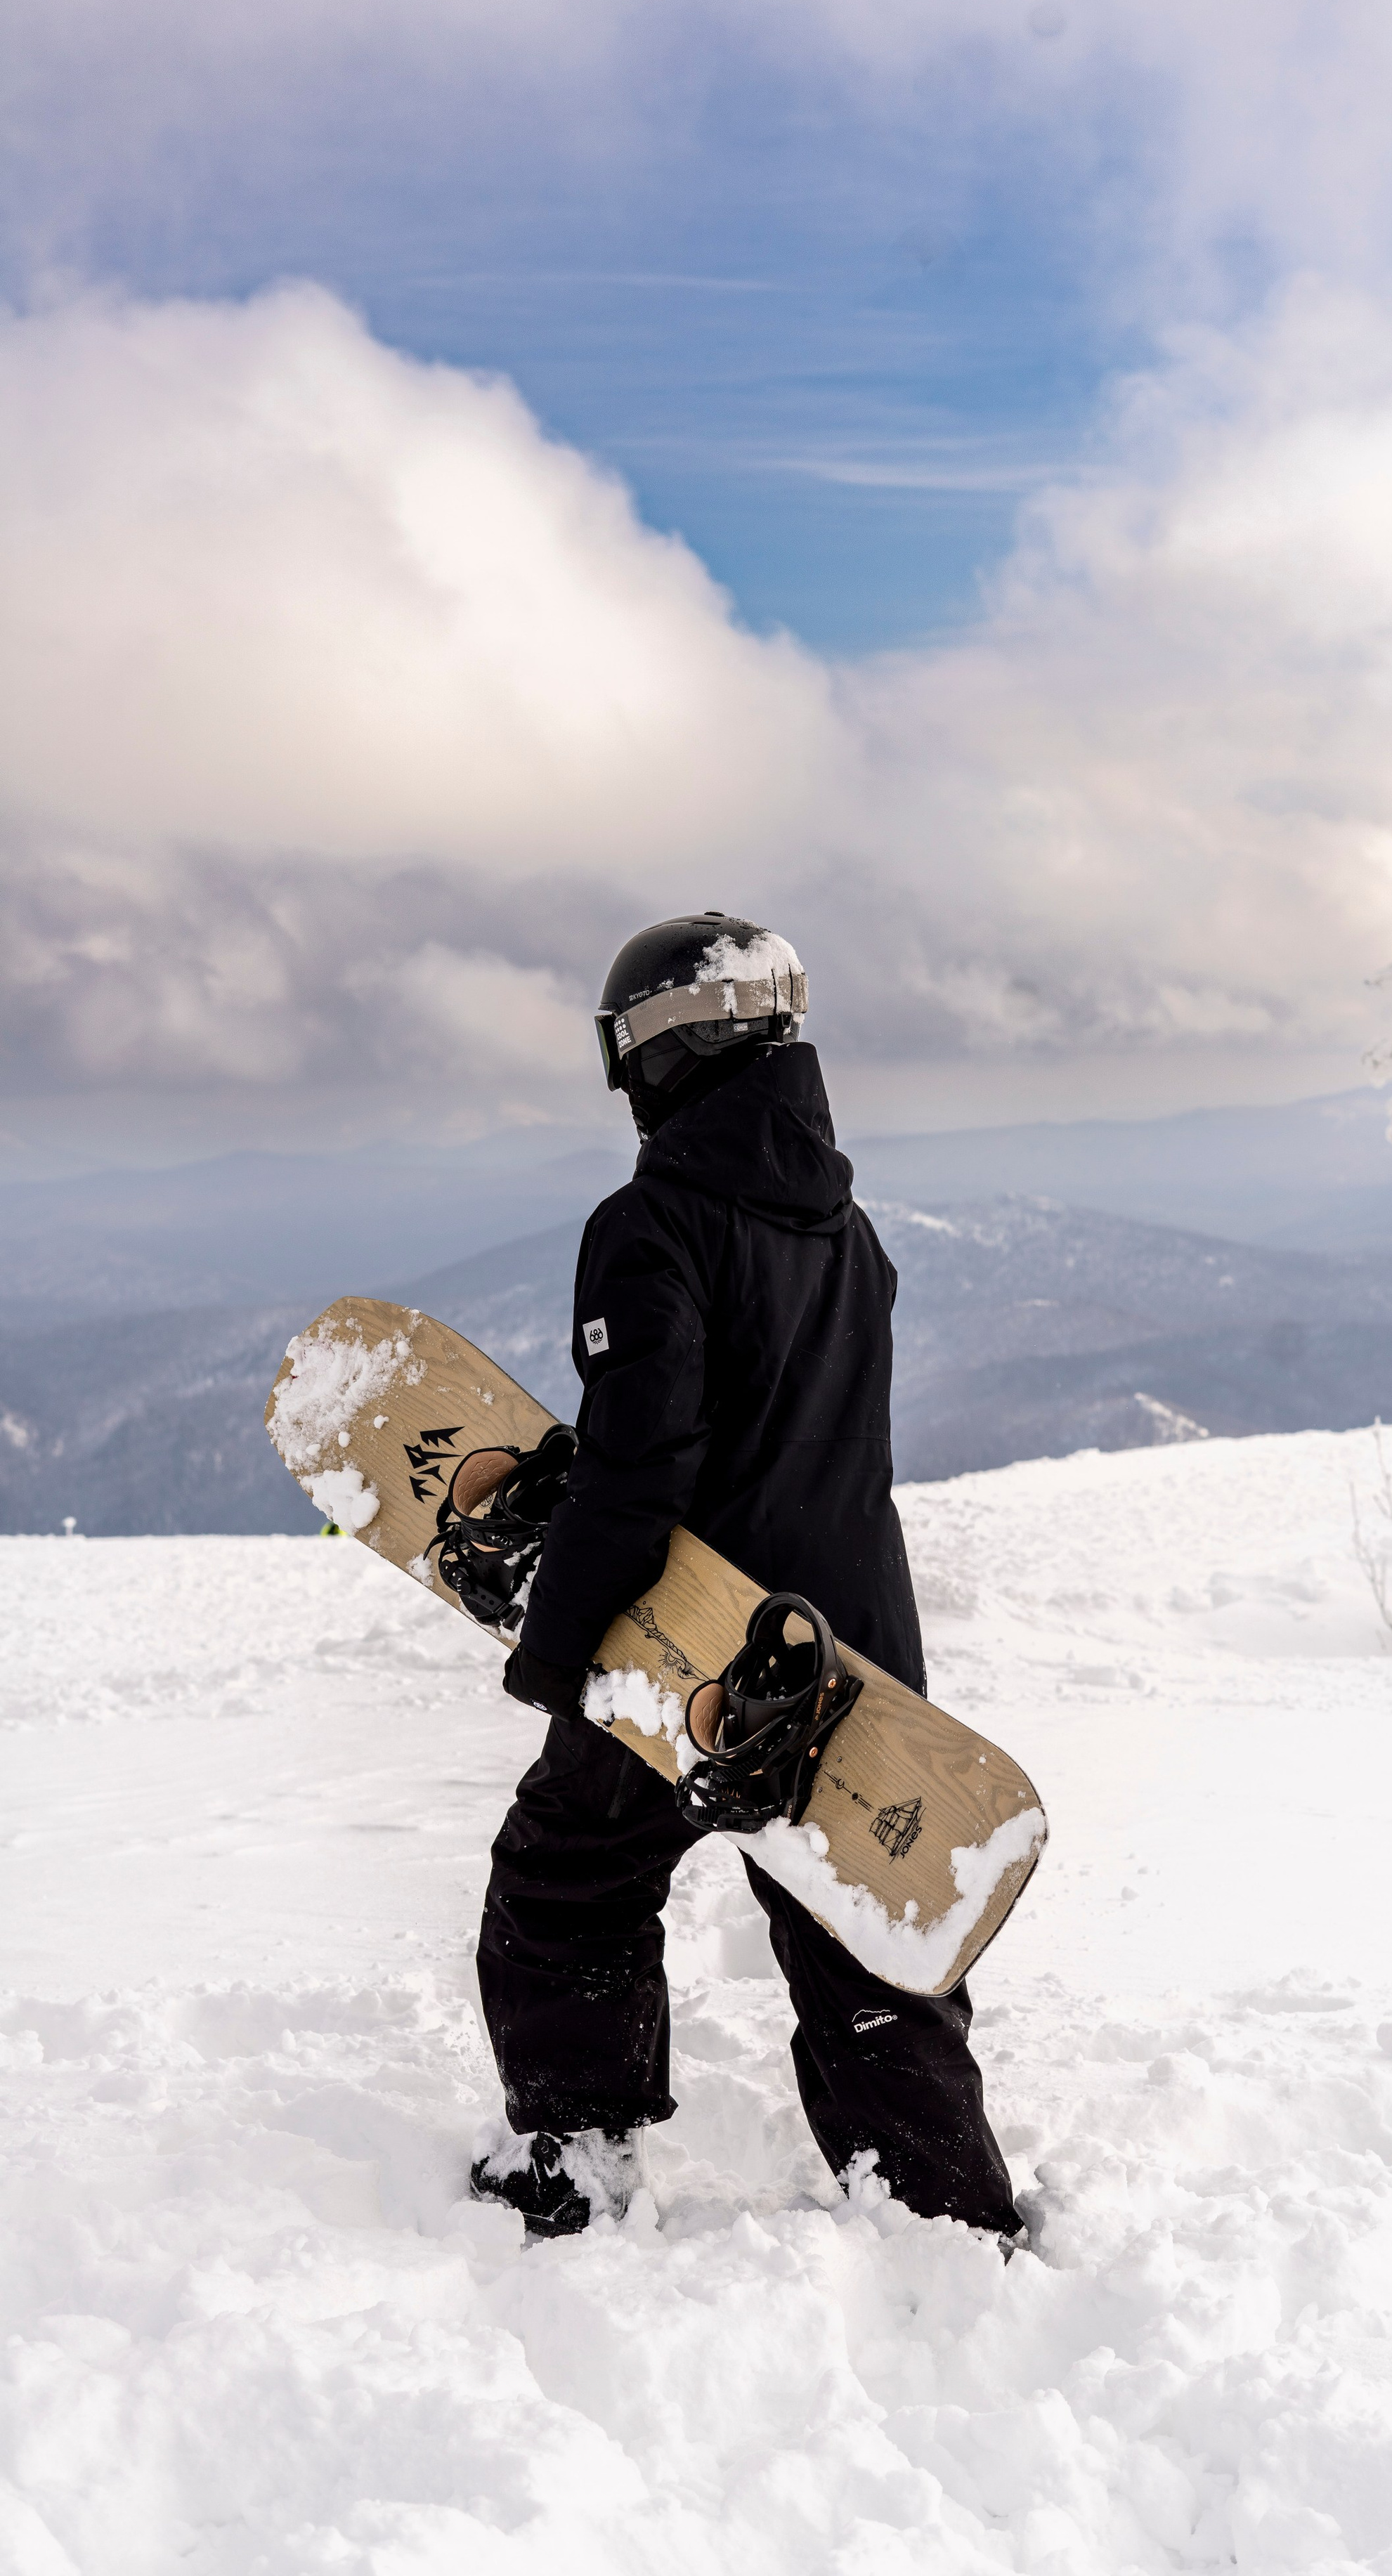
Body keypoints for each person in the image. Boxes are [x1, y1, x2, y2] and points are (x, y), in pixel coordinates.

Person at [469, 912, 1022, 2244]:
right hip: (854, 1646)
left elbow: (640, 1466)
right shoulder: (846, 1224)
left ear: (659, 1052)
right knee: (857, 1931)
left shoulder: (652, 1226)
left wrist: (556, 1649)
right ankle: (946, 2218)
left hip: (699, 1644)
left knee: (566, 1881)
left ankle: (576, 2169)